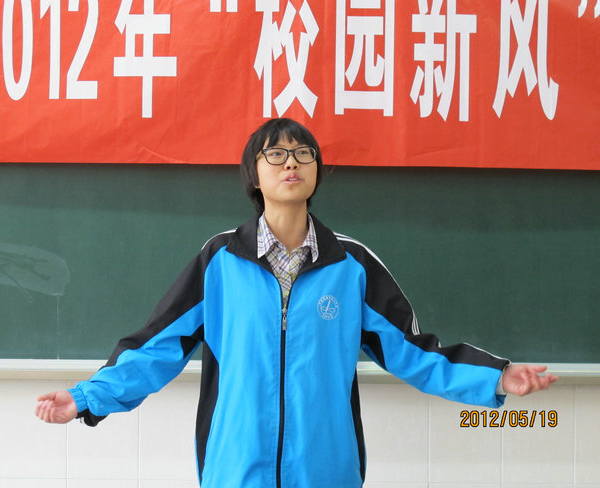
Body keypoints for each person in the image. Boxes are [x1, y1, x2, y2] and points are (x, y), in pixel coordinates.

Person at [36, 118, 557, 488]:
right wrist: (85, 397)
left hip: (326, 471)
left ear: (316, 172)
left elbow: (413, 351)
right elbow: (154, 348)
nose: (292, 162)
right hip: (235, 472)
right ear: (253, 174)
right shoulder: (220, 262)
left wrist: (495, 376)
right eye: (277, 154)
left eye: (304, 154)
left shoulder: (350, 266)